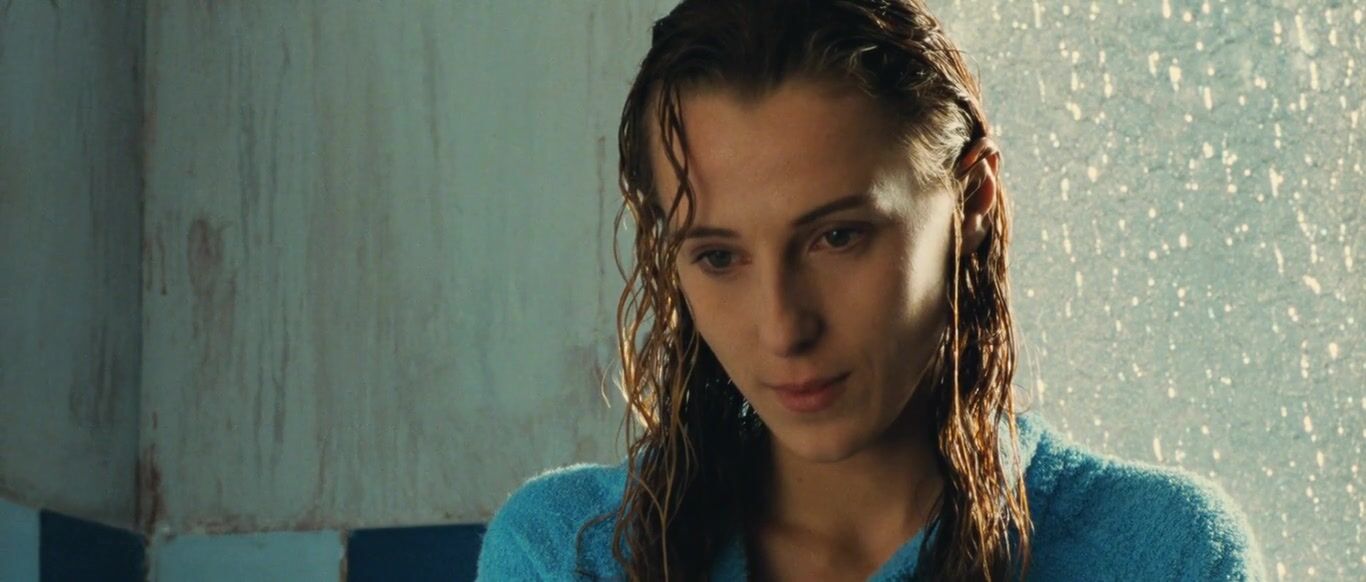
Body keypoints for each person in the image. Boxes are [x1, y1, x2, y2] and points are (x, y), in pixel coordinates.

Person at [476, 0, 1265, 580]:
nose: (783, 327)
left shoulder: (1165, 553)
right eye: (718, 256)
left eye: (838, 237)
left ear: (972, 200)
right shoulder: (569, 554)